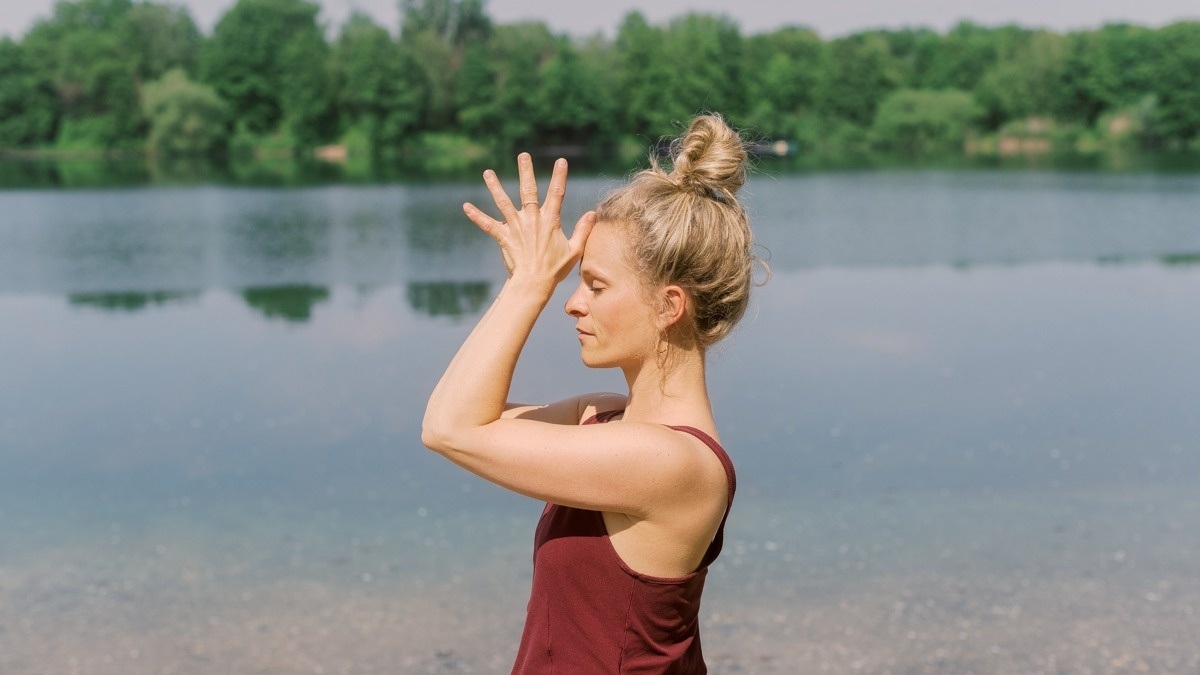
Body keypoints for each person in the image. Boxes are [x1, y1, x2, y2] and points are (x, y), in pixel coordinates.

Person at [422, 113, 762, 674]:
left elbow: (450, 429)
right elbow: (464, 413)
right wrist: (524, 283)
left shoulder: (672, 463)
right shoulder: (602, 417)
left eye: (596, 285)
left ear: (668, 306)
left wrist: (528, 285)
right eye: (576, 282)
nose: (573, 302)